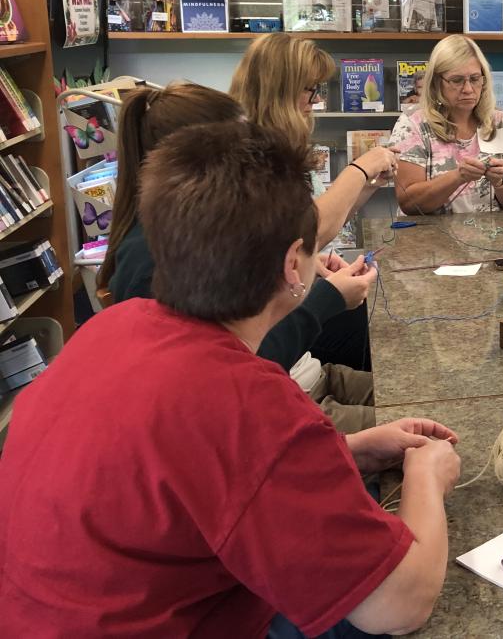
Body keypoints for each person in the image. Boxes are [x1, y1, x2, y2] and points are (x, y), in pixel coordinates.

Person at [0, 120, 461, 635]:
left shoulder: (108, 328)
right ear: (294, 264)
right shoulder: (244, 402)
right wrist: (427, 478)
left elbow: (188, 481)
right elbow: (400, 603)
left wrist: (343, 450)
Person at [97, 82, 379, 433]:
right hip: (277, 404)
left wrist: (305, 271)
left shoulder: (207, 233)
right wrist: (326, 299)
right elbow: (232, 375)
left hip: (301, 380)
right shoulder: (150, 263)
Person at [231, 32, 396, 369]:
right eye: (310, 90)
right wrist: (360, 169)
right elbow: (308, 233)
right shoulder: (249, 157)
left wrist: (366, 186)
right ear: (282, 88)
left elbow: (302, 233)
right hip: (269, 334)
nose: (316, 101)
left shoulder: (265, 145)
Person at [391, 34, 503, 214]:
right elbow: (409, 204)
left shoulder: (500, 122)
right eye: (457, 80)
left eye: (474, 79)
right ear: (436, 83)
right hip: (431, 239)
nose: (468, 89)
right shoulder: (413, 123)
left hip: (489, 236)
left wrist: (501, 181)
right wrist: (457, 177)